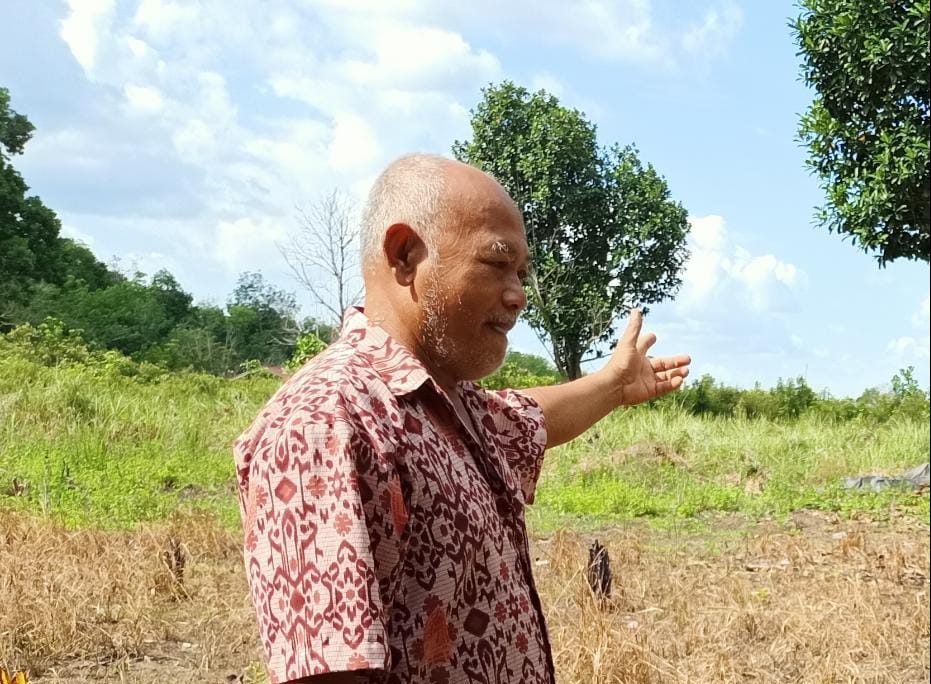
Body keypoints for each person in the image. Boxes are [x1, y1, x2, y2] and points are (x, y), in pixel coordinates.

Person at [233, 154, 691, 684]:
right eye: (497, 263)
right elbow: (328, 673)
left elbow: (531, 419)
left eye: (521, 273)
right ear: (405, 255)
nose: (519, 295)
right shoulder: (324, 423)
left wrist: (613, 384)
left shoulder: (453, 405)